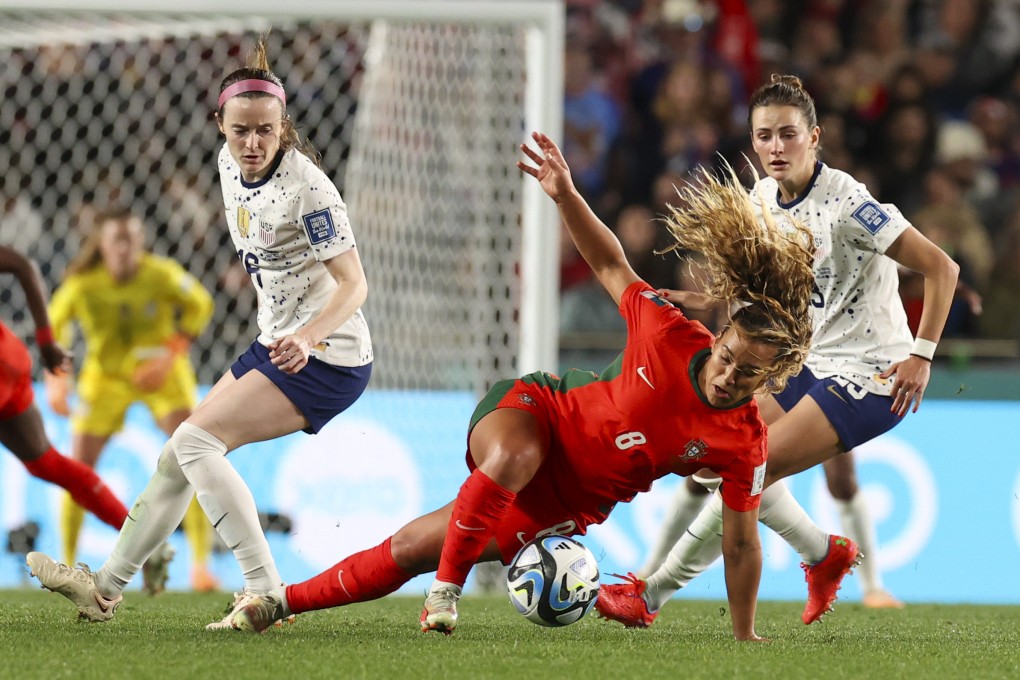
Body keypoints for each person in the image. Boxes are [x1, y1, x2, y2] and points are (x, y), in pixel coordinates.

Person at [227, 130, 821, 641]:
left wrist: (744, 637)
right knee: (514, 454)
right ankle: (445, 595)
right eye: (726, 357)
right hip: (535, 411)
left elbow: (741, 544)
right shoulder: (668, 333)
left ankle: (276, 603)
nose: (727, 375)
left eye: (747, 374)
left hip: (564, 504)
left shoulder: (744, 442)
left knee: (409, 547)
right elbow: (613, 265)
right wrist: (566, 196)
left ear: (770, 379)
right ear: (718, 339)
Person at [26, 36, 373, 629]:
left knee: (194, 443)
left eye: (267, 130)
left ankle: (265, 591)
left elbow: (354, 285)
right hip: (276, 341)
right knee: (173, 457)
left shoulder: (309, 187)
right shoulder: (226, 166)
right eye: (241, 130)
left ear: (283, 124)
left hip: (327, 357)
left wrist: (309, 335)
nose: (254, 143)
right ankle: (103, 590)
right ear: (220, 125)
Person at [596, 74, 959, 629]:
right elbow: (773, 282)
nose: (775, 147)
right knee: (716, 457)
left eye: (788, 134)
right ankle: (822, 552)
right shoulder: (760, 198)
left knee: (750, 469)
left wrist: (923, 354)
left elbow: (942, 267)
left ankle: (650, 594)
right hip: (808, 360)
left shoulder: (849, 204)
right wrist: (707, 296)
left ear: (814, 137)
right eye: (764, 136)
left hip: (872, 372)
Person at [44, 207, 219, 593]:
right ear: (102, 246)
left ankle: (201, 568)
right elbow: (53, 328)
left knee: (194, 455)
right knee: (79, 468)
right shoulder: (83, 285)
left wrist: (171, 351)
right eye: (116, 241)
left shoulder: (161, 274)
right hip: (105, 379)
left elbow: (202, 303)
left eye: (132, 240)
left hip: (161, 373)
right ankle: (67, 566)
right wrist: (57, 381)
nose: (125, 248)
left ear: (141, 243)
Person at [0, 246, 129, 540]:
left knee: (48, 463)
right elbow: (22, 264)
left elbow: (21, 265)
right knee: (47, 463)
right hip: (10, 358)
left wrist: (47, 341)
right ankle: (138, 539)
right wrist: (45, 343)